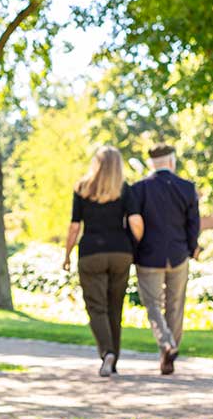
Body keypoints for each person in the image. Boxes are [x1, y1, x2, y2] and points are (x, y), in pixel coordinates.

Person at [63, 146, 137, 377]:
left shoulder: (82, 189)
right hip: (120, 253)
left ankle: (107, 353)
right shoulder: (124, 190)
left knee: (97, 307)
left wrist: (66, 254)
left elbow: (75, 226)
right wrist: (135, 247)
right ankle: (113, 359)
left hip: (91, 253)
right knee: (116, 307)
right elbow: (135, 222)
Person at [127, 145, 200, 375]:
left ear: (151, 164)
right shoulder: (187, 188)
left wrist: (134, 249)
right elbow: (193, 225)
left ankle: (166, 344)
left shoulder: (138, 189)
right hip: (178, 255)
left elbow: (134, 223)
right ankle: (169, 352)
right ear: (172, 162)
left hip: (149, 256)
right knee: (175, 305)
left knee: (153, 306)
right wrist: (192, 248)